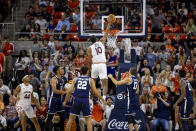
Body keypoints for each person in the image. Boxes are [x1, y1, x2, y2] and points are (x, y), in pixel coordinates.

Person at [64, 66, 106, 131]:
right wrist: (102, 99)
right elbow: (95, 92)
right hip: (85, 100)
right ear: (87, 71)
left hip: (77, 100)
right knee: (88, 121)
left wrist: (65, 100)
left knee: (70, 120)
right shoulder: (90, 80)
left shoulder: (75, 79)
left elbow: (69, 91)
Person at [87, 14, 113, 100]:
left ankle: (90, 99)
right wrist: (109, 22)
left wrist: (90, 69)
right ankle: (104, 98)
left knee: (93, 83)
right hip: (102, 64)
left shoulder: (89, 48)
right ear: (97, 39)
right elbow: (107, 31)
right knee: (105, 84)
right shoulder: (102, 42)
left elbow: (89, 60)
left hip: (94, 65)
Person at [44, 66, 66, 131]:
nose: (63, 70)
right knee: (49, 118)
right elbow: (54, 90)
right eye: (61, 69)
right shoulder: (54, 79)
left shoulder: (62, 78)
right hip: (53, 99)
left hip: (59, 100)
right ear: (57, 71)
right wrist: (65, 92)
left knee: (63, 117)